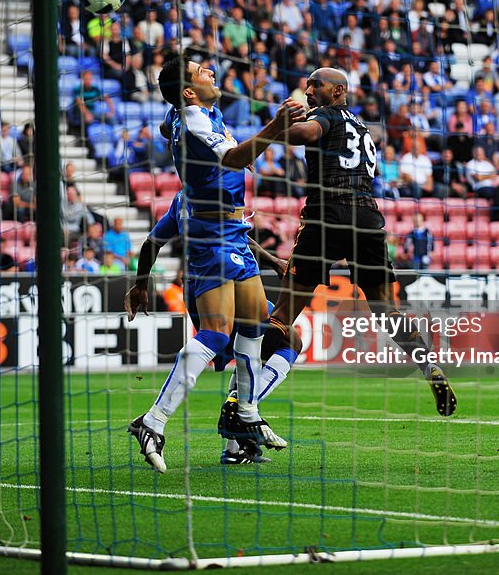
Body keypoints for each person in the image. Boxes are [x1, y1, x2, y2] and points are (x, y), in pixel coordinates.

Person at [126, 54, 301, 473]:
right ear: (188, 91)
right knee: (217, 334)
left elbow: (173, 122)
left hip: (235, 235)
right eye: (199, 70)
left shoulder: (200, 112)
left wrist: (139, 281)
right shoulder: (195, 120)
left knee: (260, 322)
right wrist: (276, 127)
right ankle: (153, 420)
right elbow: (236, 159)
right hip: (211, 239)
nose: (209, 69)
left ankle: (244, 412)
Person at [261, 67, 457, 424]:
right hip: (367, 217)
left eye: (314, 84)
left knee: (282, 316)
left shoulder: (325, 116)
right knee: (386, 310)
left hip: (327, 215)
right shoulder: (363, 127)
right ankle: (429, 367)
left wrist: (278, 128)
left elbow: (307, 132)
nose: (307, 90)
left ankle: (241, 398)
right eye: (306, 84)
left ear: (337, 91)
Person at [126, 191, 297, 465]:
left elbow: (152, 243)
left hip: (229, 274)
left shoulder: (184, 196)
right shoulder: (218, 187)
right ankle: (163, 418)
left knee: (285, 338)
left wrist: (140, 284)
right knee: (220, 336)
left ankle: (235, 445)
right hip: (219, 276)